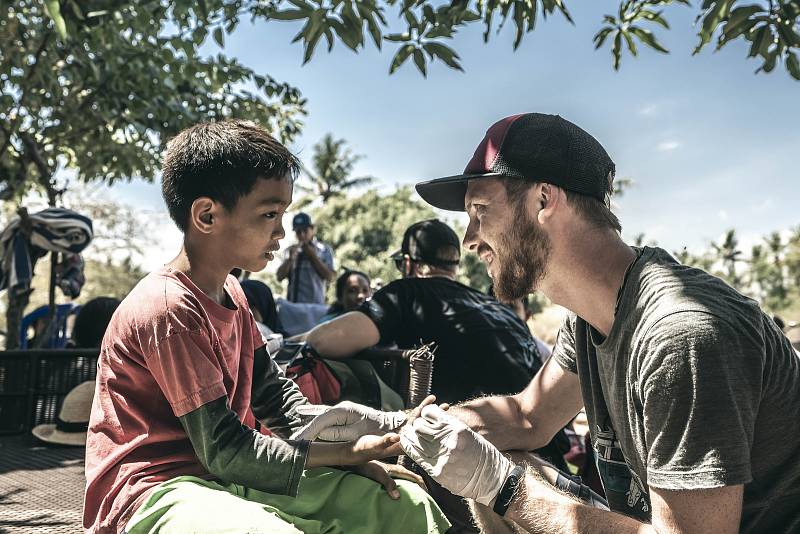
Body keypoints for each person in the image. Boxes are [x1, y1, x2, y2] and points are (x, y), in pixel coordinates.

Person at [391, 112, 800, 533]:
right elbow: (525, 418)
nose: (470, 240)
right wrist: (398, 427)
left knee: (505, 479)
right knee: (504, 459)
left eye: (479, 210)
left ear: (543, 200)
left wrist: (501, 487)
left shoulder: (680, 336)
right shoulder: (591, 316)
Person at [83, 120, 449, 534]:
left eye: (284, 214)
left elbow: (276, 400)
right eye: (269, 214)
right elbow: (223, 447)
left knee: (403, 505)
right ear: (206, 215)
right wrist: (346, 452)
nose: (280, 230)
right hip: (157, 491)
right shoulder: (168, 309)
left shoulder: (235, 295)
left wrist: (388, 425)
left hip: (231, 477)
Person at [299, 218, 569, 532]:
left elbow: (325, 341)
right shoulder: (501, 309)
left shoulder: (408, 292)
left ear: (409, 264)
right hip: (553, 472)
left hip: (482, 480)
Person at [276, 212, 335, 304]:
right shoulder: (289, 251)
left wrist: (313, 256)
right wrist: (290, 260)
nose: (302, 235)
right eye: (298, 232)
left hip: (315, 307)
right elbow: (279, 277)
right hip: (293, 307)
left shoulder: (324, 250)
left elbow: (330, 277)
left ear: (312, 229)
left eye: (305, 230)